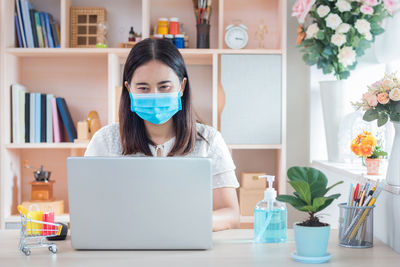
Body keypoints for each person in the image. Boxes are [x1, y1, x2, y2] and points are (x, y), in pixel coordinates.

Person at [84, 38, 240, 231]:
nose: (154, 95)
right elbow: (87, 211)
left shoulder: (209, 140)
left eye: (164, 87)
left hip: (187, 246)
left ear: (182, 87)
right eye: (143, 88)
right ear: (129, 89)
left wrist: (182, 222)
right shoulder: (105, 142)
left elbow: (231, 214)